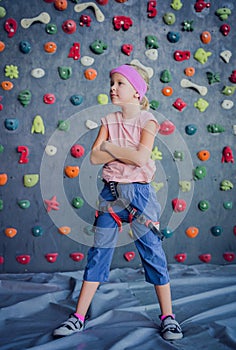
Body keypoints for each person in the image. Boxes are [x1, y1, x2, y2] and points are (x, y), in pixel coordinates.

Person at [53, 64, 183, 341]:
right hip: (110, 196)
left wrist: (110, 148)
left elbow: (140, 159)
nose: (113, 88)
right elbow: (93, 158)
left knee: (153, 255)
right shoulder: (108, 121)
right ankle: (78, 317)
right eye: (111, 82)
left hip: (139, 196)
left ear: (137, 91)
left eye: (120, 83)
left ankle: (168, 317)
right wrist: (118, 151)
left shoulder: (148, 121)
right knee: (98, 255)